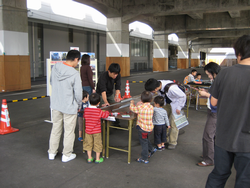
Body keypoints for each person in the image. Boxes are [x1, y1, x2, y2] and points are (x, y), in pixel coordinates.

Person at [206, 35, 250, 187]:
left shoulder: (224, 73)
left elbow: (213, 102)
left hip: (224, 137)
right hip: (247, 143)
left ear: (239, 53)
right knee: (245, 181)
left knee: (219, 175)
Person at [48, 50, 82, 162]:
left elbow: (51, 82)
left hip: (56, 104)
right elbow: (78, 93)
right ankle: (66, 155)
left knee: (55, 128)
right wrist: (79, 104)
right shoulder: (74, 73)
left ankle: (52, 153)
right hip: (69, 106)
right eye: (78, 61)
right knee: (69, 131)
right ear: (76, 59)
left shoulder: (55, 67)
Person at [145, 78, 186, 150]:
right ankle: (164, 139)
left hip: (176, 104)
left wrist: (179, 107)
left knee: (174, 124)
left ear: (156, 88)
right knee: (163, 121)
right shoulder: (158, 84)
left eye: (153, 91)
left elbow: (183, 96)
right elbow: (153, 94)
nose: (153, 93)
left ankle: (173, 142)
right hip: (166, 103)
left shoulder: (172, 88)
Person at [196, 62, 221, 167]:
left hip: (215, 112)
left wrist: (206, 94)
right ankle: (209, 154)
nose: (209, 76)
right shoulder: (217, 80)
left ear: (214, 72)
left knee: (208, 135)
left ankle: (209, 159)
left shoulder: (221, 81)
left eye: (209, 74)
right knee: (212, 135)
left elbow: (220, 97)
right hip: (212, 110)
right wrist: (206, 91)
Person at [130, 91, 156, 164]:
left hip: (142, 129)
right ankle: (151, 149)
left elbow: (132, 108)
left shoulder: (140, 107)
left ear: (141, 99)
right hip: (150, 128)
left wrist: (132, 102)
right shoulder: (151, 107)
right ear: (151, 100)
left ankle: (144, 158)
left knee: (143, 143)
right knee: (146, 139)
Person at [83, 93, 109, 164]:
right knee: (98, 144)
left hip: (88, 131)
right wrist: (107, 112)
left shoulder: (86, 110)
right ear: (98, 103)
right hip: (96, 131)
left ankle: (89, 158)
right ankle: (97, 158)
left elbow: (85, 116)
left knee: (88, 144)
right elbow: (105, 116)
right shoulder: (99, 111)